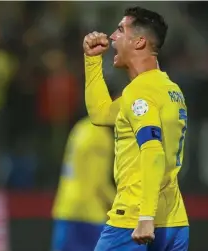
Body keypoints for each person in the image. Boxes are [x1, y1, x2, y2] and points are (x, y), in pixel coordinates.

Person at [83, 7, 189, 251]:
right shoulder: (169, 89)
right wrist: (92, 60)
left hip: (134, 218)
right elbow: (100, 113)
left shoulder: (139, 92)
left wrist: (144, 217)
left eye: (120, 30)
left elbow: (153, 151)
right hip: (174, 221)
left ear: (139, 41)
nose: (112, 36)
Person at [51, 116, 115, 251]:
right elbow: (99, 182)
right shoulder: (100, 136)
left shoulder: (81, 127)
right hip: (89, 212)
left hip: (66, 207)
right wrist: (120, 203)